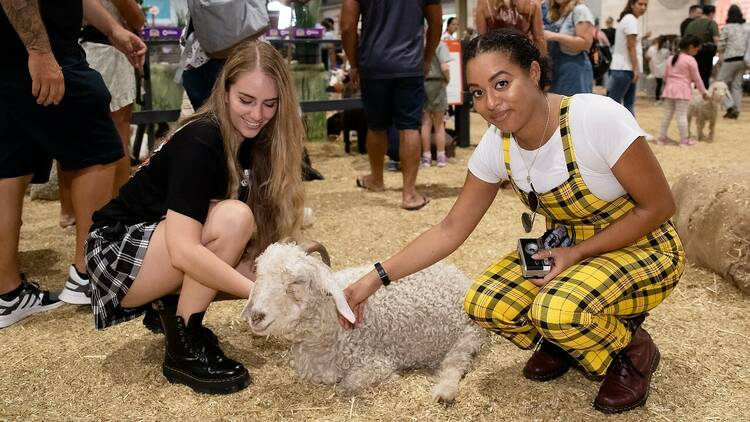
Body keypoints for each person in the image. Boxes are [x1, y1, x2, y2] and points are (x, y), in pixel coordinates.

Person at [340, 29, 683, 414]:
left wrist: (576, 253)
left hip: (642, 243)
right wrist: (373, 279)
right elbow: (450, 229)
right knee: (485, 303)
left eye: (502, 83)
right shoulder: (496, 144)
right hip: (566, 245)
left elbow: (659, 206)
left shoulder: (594, 118)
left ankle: (632, 350)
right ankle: (565, 341)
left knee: (555, 312)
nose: (491, 103)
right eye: (477, 93)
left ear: (534, 72)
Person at [84, 41, 305, 393]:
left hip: (158, 243)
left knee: (292, 266)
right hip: (116, 253)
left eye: (270, 104)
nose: (257, 114)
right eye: (246, 100)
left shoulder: (254, 140)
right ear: (225, 90)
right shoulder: (203, 138)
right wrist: (261, 293)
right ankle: (184, 346)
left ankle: (169, 307)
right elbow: (184, 251)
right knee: (235, 220)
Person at [0, 0, 146, 329]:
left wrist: (114, 29)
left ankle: (6, 293)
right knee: (99, 145)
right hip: (41, 47)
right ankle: (89, 273)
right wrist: (39, 50)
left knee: (9, 164)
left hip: (20, 49)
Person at [340, 0, 442, 211]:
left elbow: (347, 26)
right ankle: (409, 194)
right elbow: (437, 23)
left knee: (376, 126)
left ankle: (377, 180)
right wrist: (427, 58)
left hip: (373, 64)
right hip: (409, 65)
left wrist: (354, 63)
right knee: (409, 127)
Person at [56, 0, 145, 230]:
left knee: (71, 134)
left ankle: (68, 210)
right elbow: (136, 18)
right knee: (117, 131)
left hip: (77, 49)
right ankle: (118, 208)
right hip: (107, 51)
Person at [658, 35, 708, 146]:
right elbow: (697, 79)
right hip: (682, 91)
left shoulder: (671, 58)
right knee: (682, 115)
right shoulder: (690, 60)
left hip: (669, 90)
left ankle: (662, 138)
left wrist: (671, 83)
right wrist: (703, 92)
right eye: (696, 49)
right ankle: (684, 140)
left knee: (667, 115)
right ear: (691, 47)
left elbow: (665, 76)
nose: (697, 51)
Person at [544, 0, 596, 96]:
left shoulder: (580, 10)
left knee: (573, 108)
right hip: (557, 70)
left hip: (574, 71)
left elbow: (586, 43)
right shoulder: (557, 13)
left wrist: (553, 36)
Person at [607, 0, 648, 115]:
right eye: (640, 4)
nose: (643, 7)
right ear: (632, 5)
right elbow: (631, 46)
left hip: (625, 68)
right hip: (624, 68)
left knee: (627, 104)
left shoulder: (629, 19)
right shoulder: (630, 19)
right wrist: (636, 68)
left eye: (645, 5)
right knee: (613, 104)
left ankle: (631, 132)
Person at [421, 41, 453, 168]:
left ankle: (426, 157)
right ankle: (441, 156)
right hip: (438, 84)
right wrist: (448, 79)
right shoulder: (439, 44)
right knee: (439, 123)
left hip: (423, 84)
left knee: (425, 123)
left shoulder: (419, 43)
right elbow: (444, 67)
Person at [475, 0, 547, 56]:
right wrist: (543, 66)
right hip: (523, 57)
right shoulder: (532, 2)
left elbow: (481, 39)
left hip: (495, 57)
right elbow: (539, 38)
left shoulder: (484, 2)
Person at [717, 5, 748, 119]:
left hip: (730, 59)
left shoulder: (727, 27)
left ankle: (729, 106)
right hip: (743, 60)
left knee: (720, 83)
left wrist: (721, 53)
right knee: (737, 85)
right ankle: (737, 109)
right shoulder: (746, 27)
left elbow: (721, 44)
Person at [684, 5, 719, 89]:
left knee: (693, 75)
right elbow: (716, 39)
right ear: (711, 13)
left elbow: (685, 38)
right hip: (706, 54)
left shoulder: (691, 24)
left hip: (691, 52)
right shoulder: (711, 23)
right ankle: (702, 96)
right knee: (704, 76)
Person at [645, 36, 670, 101]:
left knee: (658, 85)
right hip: (664, 69)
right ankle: (664, 98)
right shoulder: (666, 50)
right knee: (665, 85)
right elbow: (668, 59)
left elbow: (647, 57)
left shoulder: (651, 49)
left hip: (656, 69)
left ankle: (657, 99)